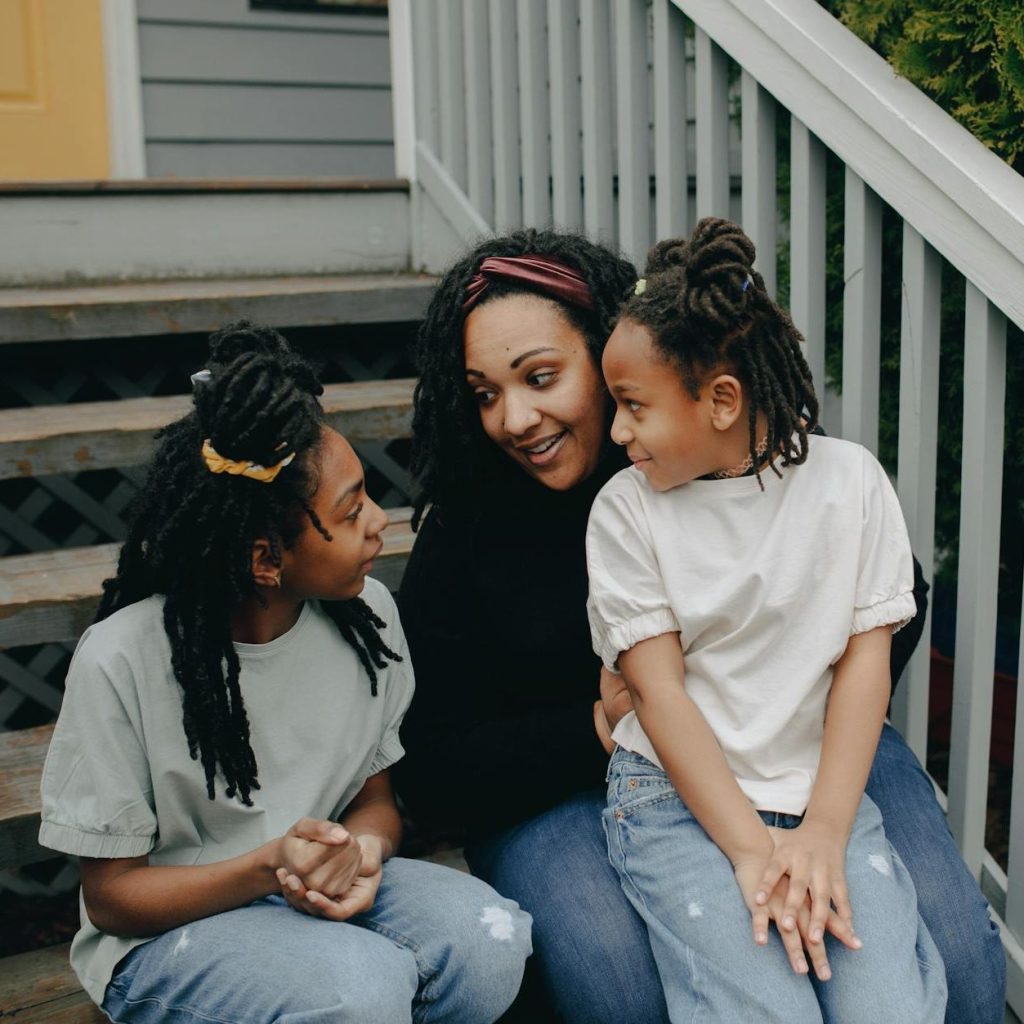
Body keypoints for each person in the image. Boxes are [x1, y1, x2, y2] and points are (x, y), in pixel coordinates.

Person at [393, 229, 1006, 1023]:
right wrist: (599, 723)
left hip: (805, 732)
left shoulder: (720, 445)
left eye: (541, 377)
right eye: (482, 393)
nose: (514, 418)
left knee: (957, 964)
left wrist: (785, 684)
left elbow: (889, 606)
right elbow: (434, 763)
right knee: (626, 986)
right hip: (581, 784)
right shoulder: (479, 528)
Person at [39, 321, 531, 1024]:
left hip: (304, 897)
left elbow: (376, 801)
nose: (379, 523)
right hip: (168, 934)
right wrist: (270, 866)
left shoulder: (369, 620)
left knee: (492, 938)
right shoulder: (122, 659)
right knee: (360, 988)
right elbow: (113, 897)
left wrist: (360, 852)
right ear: (266, 559)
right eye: (351, 508)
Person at [586, 217, 945, 1021]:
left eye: (633, 406)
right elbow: (658, 694)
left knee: (887, 1010)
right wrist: (752, 851)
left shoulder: (851, 484)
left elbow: (864, 668)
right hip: (677, 803)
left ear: (720, 400)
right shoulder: (625, 513)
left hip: (821, 791)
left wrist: (822, 831)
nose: (615, 432)